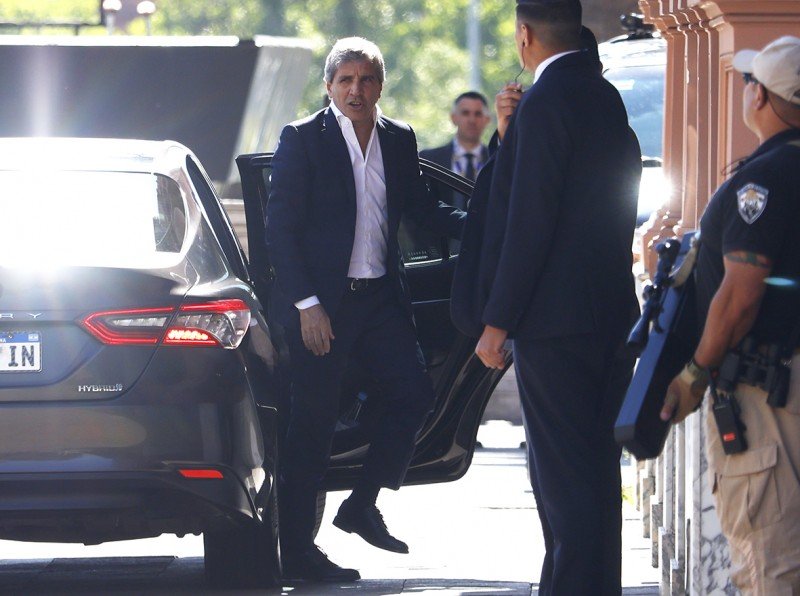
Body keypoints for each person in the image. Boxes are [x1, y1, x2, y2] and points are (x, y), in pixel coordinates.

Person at [266, 37, 464, 583]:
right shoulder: (303, 139)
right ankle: (297, 553)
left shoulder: (398, 138)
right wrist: (307, 305)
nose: (356, 89)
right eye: (346, 80)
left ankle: (362, 503)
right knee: (312, 425)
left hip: (379, 300)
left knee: (415, 394)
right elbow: (280, 230)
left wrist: (486, 224)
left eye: (367, 79)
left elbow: (422, 209)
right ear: (329, 86)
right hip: (321, 307)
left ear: (380, 86)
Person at [470, 1, 642, 593]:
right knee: (595, 474)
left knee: (564, 482)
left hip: (555, 324)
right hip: (609, 313)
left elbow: (530, 223)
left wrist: (498, 319)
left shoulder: (545, 102)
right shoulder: (605, 97)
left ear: (525, 35)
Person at [660, 36, 800, 594]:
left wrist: (694, 373)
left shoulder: (764, 180)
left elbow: (740, 297)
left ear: (759, 96)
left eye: (749, 81)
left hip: (772, 397)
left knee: (770, 562)